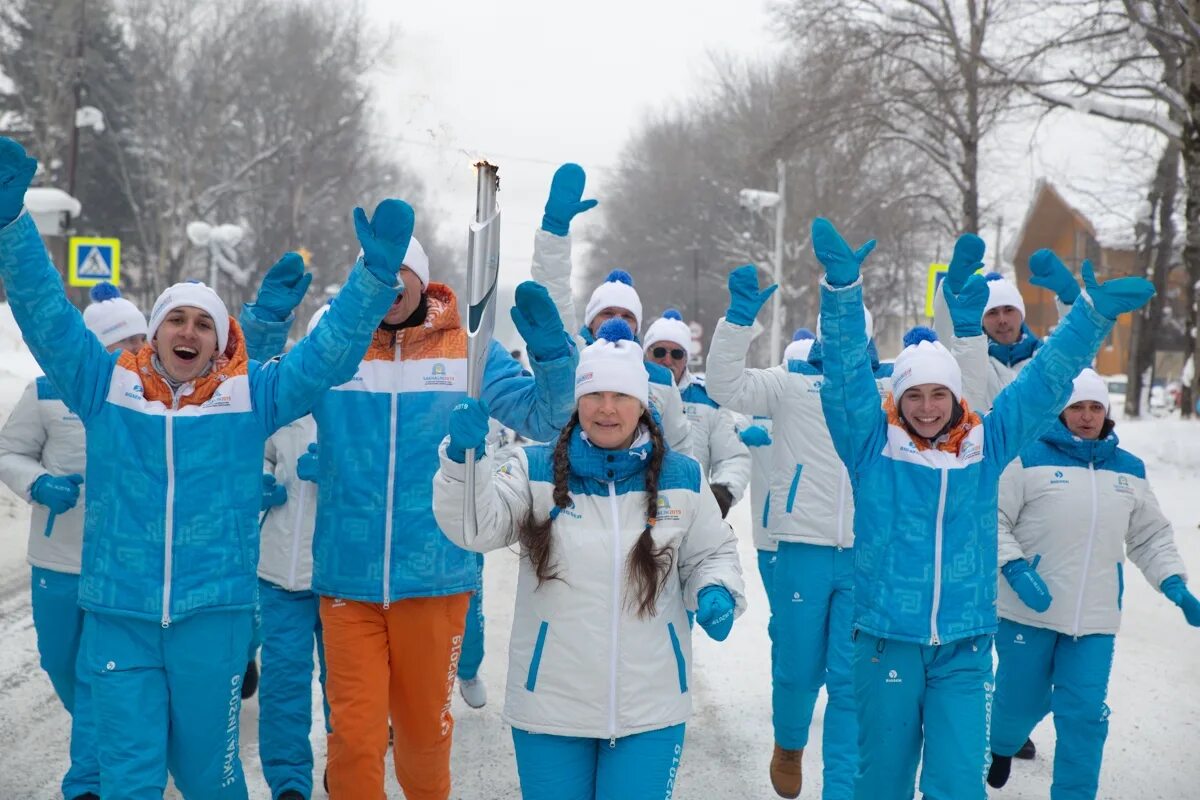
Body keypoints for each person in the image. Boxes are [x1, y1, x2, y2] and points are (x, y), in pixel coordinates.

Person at [0, 135, 418, 799]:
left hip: (212, 619)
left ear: (221, 340)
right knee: (128, 780)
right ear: (159, 330)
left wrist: (371, 283)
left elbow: (327, 358)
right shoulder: (104, 386)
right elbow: (46, 318)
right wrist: (13, 227)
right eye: (177, 321)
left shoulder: (250, 396)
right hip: (121, 615)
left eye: (204, 323)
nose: (189, 333)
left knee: (209, 779)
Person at [811, 216, 1154, 800]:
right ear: (897, 398)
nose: (925, 408)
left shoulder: (986, 445)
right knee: (882, 783)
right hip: (887, 639)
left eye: (938, 394)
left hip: (966, 649)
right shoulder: (872, 446)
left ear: (955, 397)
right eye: (913, 395)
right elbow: (844, 378)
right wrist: (843, 294)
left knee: (958, 784)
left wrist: (1089, 317)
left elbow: (1045, 382)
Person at [240, 241, 579, 800]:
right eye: (380, 274)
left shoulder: (467, 350)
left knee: (423, 737)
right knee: (354, 734)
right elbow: (257, 397)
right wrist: (268, 327)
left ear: (423, 280)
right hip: (346, 578)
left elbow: (546, 417)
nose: (393, 287)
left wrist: (552, 361)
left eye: (404, 274)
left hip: (436, 575)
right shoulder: (338, 349)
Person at [432, 318, 745, 800]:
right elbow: (474, 528)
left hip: (650, 708)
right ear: (577, 402)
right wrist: (463, 460)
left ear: (642, 403)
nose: (606, 409)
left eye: (620, 396)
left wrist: (715, 586)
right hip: (549, 708)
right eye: (594, 395)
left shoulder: (681, 477)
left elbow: (711, 550)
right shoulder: (533, 469)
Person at [706, 276, 892, 800]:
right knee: (795, 667)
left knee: (852, 682)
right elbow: (725, 386)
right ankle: (788, 744)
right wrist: (738, 322)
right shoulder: (789, 383)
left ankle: (842, 788)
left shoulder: (888, 393)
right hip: (800, 553)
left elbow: (957, 401)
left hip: (864, 557)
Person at [986, 367, 1198, 798]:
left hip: (1096, 620)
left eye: (1095, 407)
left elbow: (1149, 534)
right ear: (1061, 411)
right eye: (1077, 407)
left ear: (1107, 411)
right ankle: (1003, 743)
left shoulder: (1129, 470)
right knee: (1018, 702)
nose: (1086, 416)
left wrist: (1174, 582)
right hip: (1028, 611)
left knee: (1083, 715)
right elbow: (991, 519)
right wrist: (1015, 568)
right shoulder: (1026, 456)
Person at [0, 281, 147, 800]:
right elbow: (9, 453)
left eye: (140, 342)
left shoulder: (151, 397)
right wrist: (39, 483)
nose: (135, 353)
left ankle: (86, 781)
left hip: (122, 566)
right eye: (123, 343)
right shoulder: (44, 391)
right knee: (59, 661)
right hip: (57, 561)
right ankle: (107, 737)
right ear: (93, 345)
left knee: (96, 672)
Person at [529, 162, 692, 454]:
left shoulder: (660, 378)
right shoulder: (575, 357)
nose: (617, 320)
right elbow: (553, 297)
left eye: (627, 316)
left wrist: (685, 491)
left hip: (638, 491)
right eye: (607, 313)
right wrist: (554, 233)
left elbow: (679, 445)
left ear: (637, 327)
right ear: (591, 321)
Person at [254, 304, 331, 800]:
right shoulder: (282, 392)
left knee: (348, 691)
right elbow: (249, 447)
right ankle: (289, 783)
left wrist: (345, 471)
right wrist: (256, 480)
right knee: (283, 686)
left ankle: (345, 768)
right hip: (280, 572)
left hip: (345, 577)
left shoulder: (370, 402)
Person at [933, 232, 1079, 412]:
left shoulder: (1043, 358)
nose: (1002, 320)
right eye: (992, 312)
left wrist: (1072, 302)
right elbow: (946, 340)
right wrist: (952, 289)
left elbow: (1074, 348)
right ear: (981, 320)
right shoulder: (973, 361)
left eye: (1009, 310)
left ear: (1021, 314)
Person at [642, 308, 749, 518]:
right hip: (634, 509)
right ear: (645, 354)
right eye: (659, 352)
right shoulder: (626, 393)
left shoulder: (708, 400)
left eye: (677, 353)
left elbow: (733, 456)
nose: (667, 360)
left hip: (688, 512)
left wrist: (724, 491)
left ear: (686, 359)